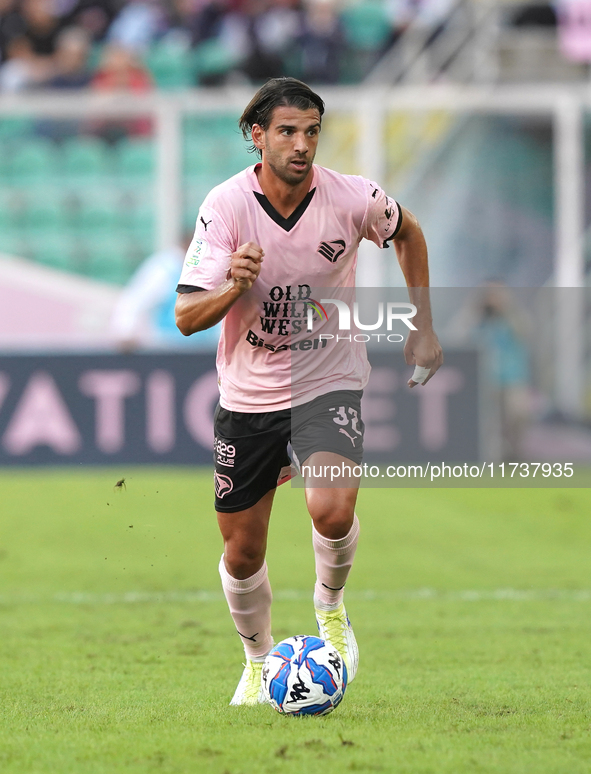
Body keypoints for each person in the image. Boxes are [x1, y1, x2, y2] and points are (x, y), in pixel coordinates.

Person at [175, 77, 442, 705]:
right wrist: (232, 288)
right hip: (249, 394)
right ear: (257, 135)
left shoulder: (352, 197)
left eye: (312, 131)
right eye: (288, 131)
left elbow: (408, 232)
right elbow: (187, 317)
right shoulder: (225, 207)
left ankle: (331, 610)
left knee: (331, 507)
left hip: (329, 377)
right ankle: (257, 660)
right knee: (242, 552)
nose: (302, 144)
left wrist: (423, 326)